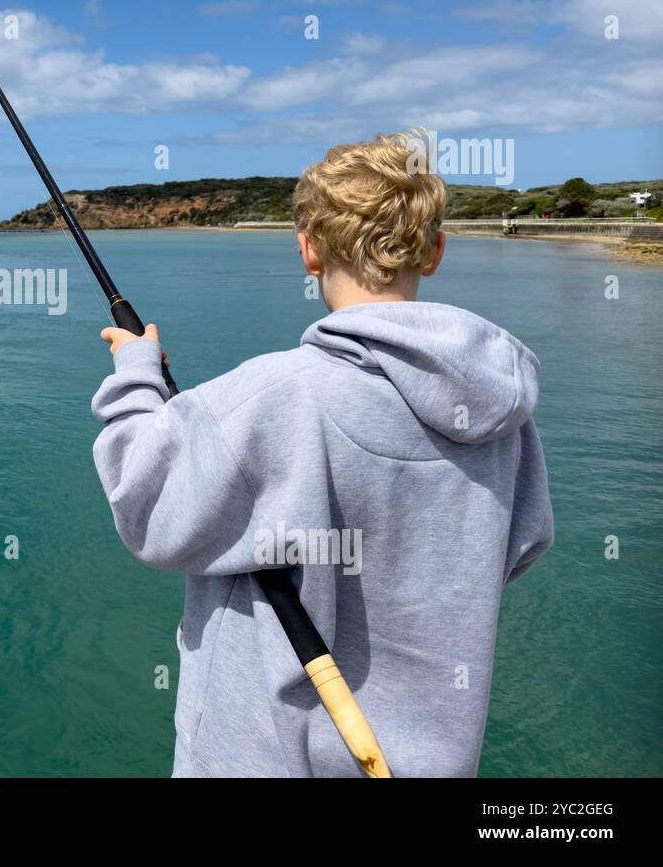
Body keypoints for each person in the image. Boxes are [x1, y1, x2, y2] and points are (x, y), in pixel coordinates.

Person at [91, 133, 554, 777]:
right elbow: (521, 543)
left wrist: (135, 378)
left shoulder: (274, 395)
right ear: (436, 250)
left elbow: (146, 510)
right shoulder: (507, 416)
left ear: (309, 251)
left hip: (265, 759)